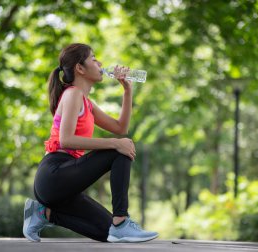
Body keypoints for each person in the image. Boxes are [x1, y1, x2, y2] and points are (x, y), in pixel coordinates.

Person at [23, 43, 158, 243]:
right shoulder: (73, 94)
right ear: (80, 68)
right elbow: (66, 140)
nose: (100, 63)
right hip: (54, 174)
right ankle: (122, 221)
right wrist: (115, 143)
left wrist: (127, 90)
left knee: (108, 233)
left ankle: (44, 214)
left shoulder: (86, 102)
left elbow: (121, 127)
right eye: (94, 59)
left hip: (66, 182)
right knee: (120, 148)